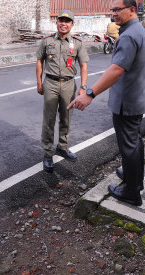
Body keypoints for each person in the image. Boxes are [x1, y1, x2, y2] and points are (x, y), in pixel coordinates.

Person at [67, 0, 145, 207]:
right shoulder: (138, 29)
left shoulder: (129, 35)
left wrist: (90, 93)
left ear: (132, 10)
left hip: (128, 101)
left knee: (129, 145)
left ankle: (131, 191)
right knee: (135, 140)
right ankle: (134, 176)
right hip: (137, 97)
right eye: (112, 10)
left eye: (118, 9)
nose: (113, 13)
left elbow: (116, 69)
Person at [36, 10, 89, 172]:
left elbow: (83, 65)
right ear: (57, 22)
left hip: (68, 84)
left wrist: (83, 87)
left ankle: (63, 147)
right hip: (50, 83)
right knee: (49, 120)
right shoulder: (47, 41)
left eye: (67, 21)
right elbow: (39, 61)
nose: (63, 23)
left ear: (72, 24)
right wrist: (39, 82)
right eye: (61, 20)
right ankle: (47, 153)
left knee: (66, 117)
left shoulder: (78, 43)